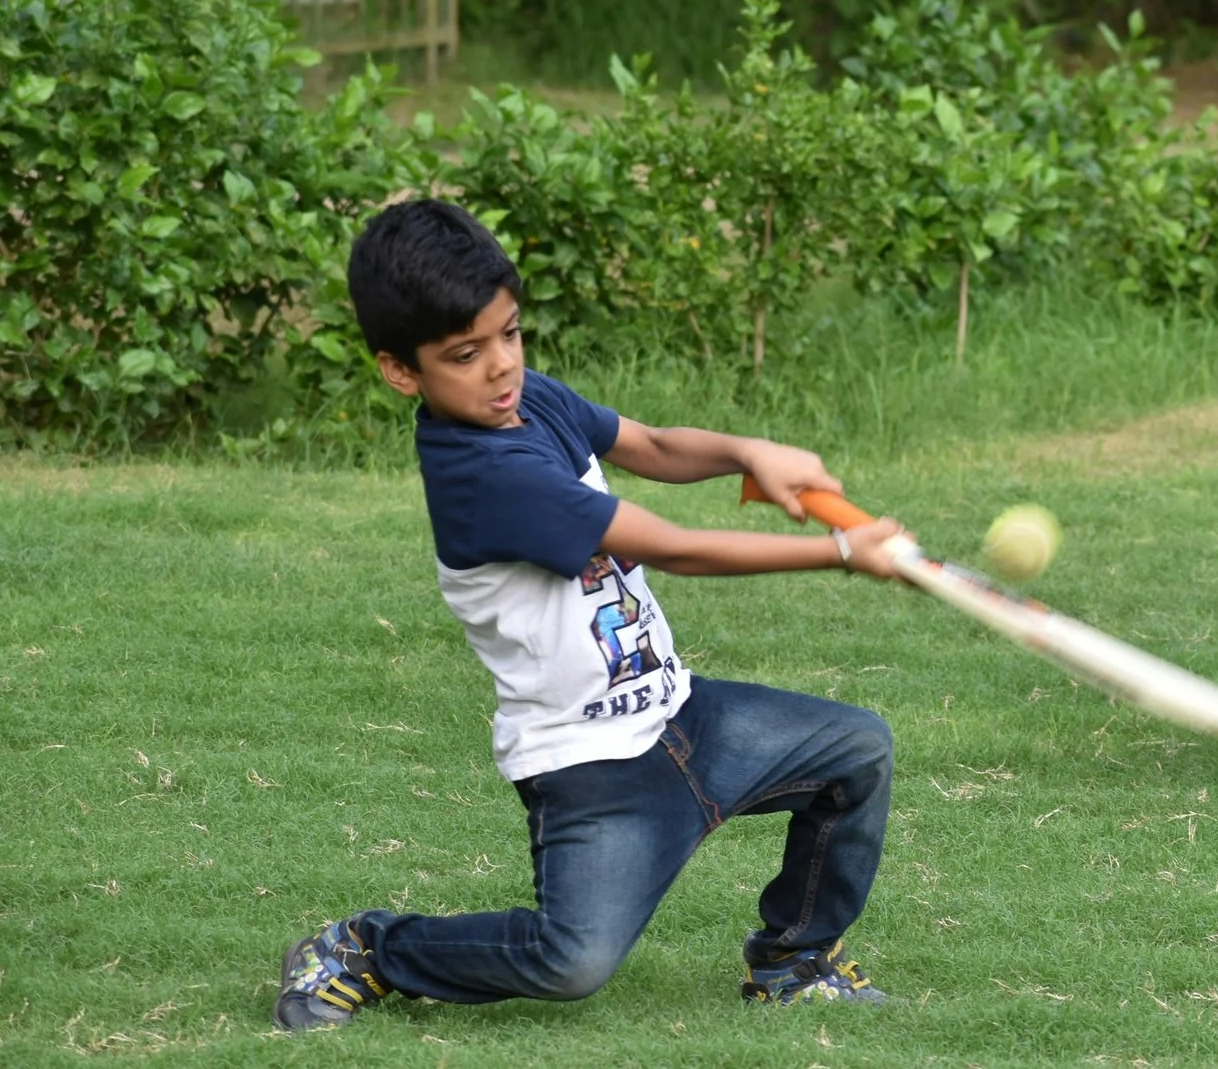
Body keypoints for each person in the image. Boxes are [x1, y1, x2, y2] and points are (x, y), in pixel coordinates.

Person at [272, 199, 911, 1032]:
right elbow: (675, 547)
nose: (501, 366)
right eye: (465, 354)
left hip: (681, 716)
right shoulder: (482, 475)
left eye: (510, 333)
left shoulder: (526, 401)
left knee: (855, 751)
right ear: (402, 371)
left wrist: (747, 454)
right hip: (591, 770)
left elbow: (646, 445)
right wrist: (841, 552)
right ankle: (367, 948)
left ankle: (793, 963)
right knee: (568, 962)